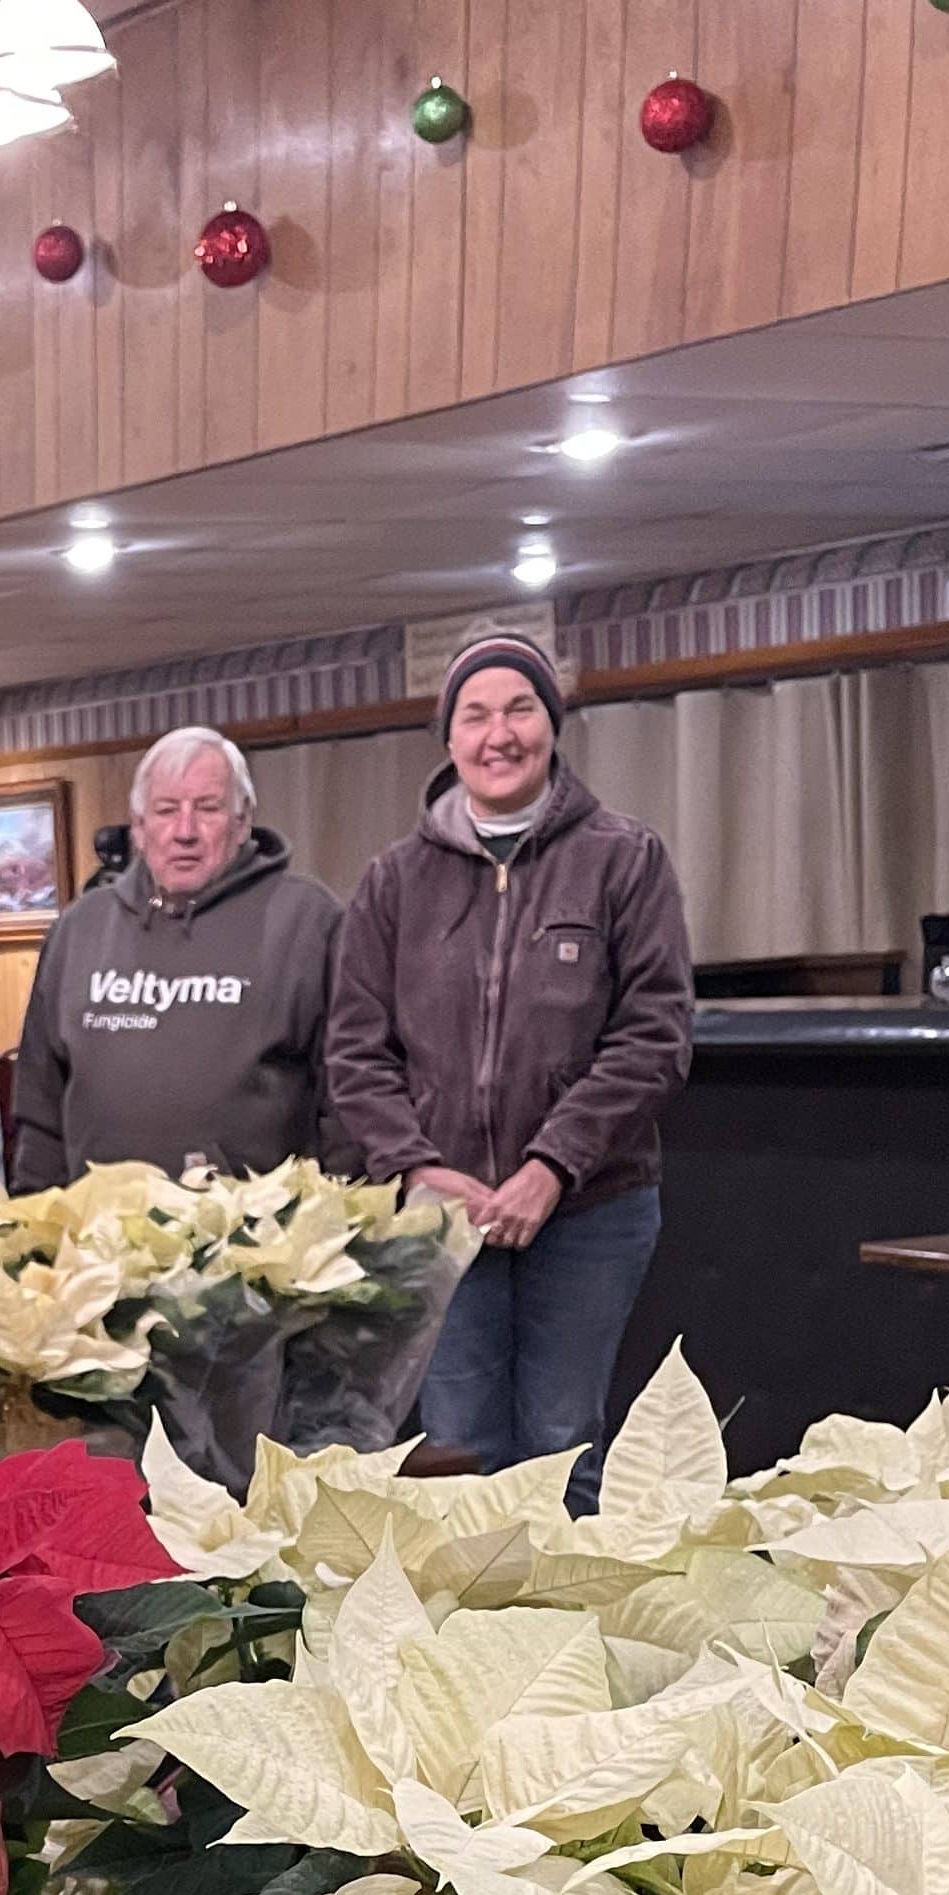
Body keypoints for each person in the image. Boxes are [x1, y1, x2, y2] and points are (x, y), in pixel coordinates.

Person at [326, 632, 692, 1502]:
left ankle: (568, 1632)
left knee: (564, 1443)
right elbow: (354, 1049)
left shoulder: (624, 859)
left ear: (552, 725)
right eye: (476, 714)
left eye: (520, 709)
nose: (500, 734)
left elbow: (654, 1035)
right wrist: (416, 1169)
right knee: (457, 1448)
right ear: (449, 738)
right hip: (442, 1219)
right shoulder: (393, 882)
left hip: (591, 1209)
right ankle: (465, 1638)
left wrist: (551, 1165)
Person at [8, 728, 346, 1189]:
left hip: (259, 1241)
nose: (184, 831)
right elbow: (40, 1107)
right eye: (166, 810)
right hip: (100, 1238)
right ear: (139, 828)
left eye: (207, 809)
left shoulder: (308, 921)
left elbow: (347, 1101)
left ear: (242, 821)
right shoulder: (79, 929)